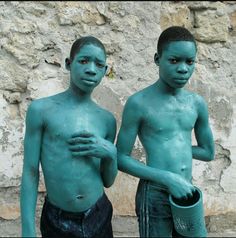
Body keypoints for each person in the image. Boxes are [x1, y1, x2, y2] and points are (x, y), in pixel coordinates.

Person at [116, 26, 215, 237]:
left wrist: (174, 149)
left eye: (189, 62)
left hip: (187, 189)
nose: (182, 69)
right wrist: (168, 178)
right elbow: (121, 158)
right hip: (154, 193)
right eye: (174, 60)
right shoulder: (139, 103)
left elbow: (208, 152)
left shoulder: (196, 104)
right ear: (157, 59)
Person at [20, 36, 117, 238]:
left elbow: (108, 180)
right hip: (57, 217)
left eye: (99, 64)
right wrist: (27, 229)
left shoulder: (107, 120)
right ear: (68, 63)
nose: (91, 69)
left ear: (105, 71)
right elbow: (30, 172)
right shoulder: (41, 110)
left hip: (98, 214)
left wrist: (111, 154)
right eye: (83, 61)